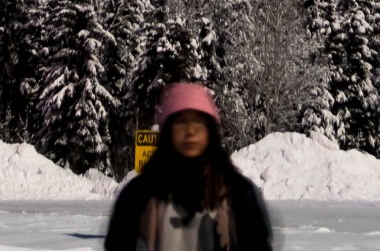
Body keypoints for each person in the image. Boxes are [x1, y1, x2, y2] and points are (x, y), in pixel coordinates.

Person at [104, 82, 273, 251]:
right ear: (168, 130)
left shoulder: (239, 194)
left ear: (210, 131)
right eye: (181, 122)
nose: (190, 130)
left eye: (198, 123)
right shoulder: (137, 196)